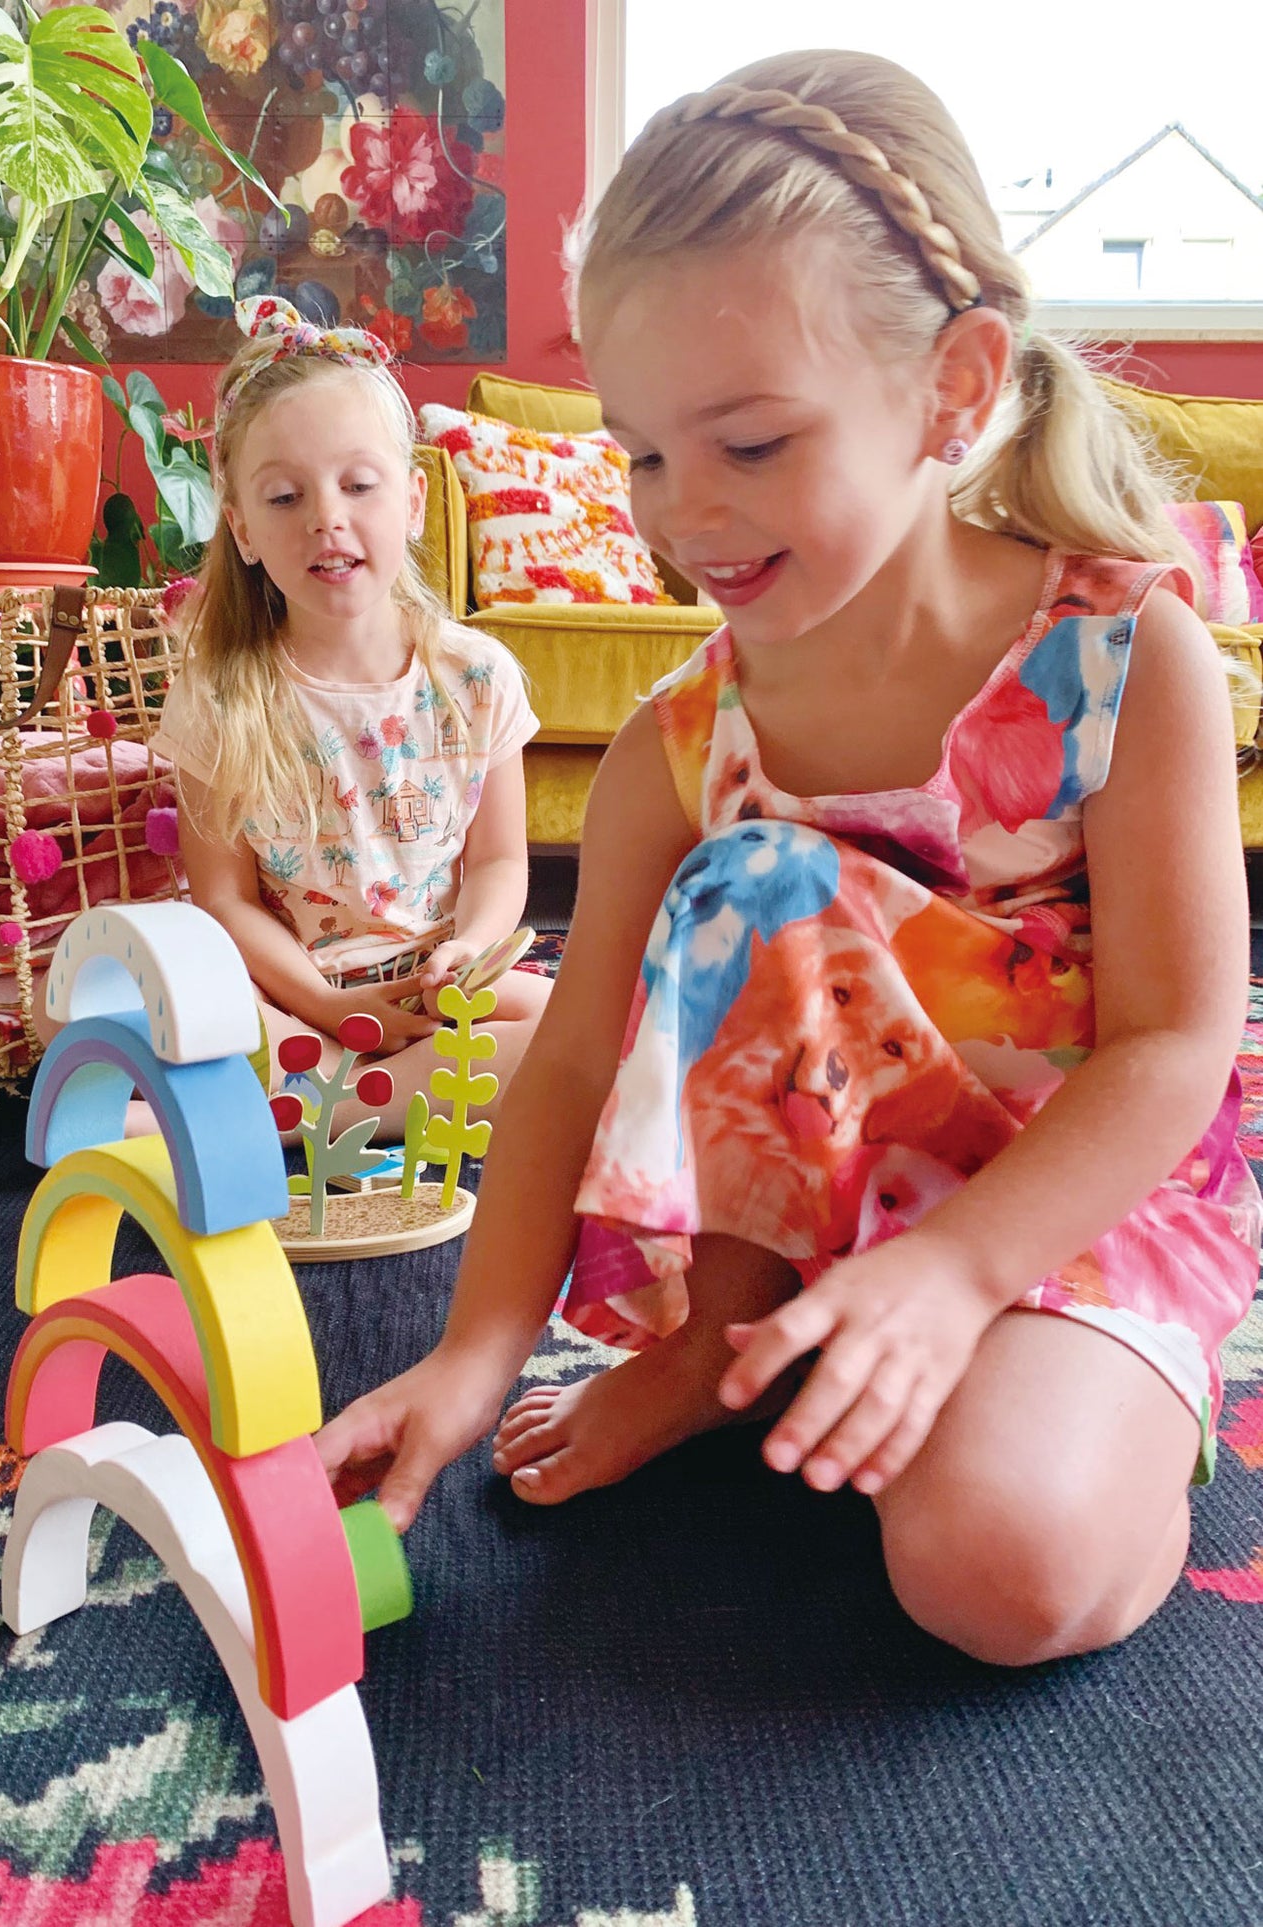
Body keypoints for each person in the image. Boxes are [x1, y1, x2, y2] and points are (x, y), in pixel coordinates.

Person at [316, 51, 1261, 1666]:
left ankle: (1131, 1407)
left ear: (956, 389)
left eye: (749, 445)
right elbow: (561, 1070)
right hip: (852, 1189)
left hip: (1087, 1186)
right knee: (743, 888)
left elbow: (1179, 1044)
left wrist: (967, 1272)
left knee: (989, 1565)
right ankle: (722, 1353)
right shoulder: (684, 741)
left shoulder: (1124, 656)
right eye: (647, 453)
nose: (686, 516)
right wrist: (477, 1355)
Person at [151, 297, 549, 1136]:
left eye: (358, 484)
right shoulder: (222, 695)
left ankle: (300, 1118)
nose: (327, 516)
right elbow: (223, 900)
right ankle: (378, 1096)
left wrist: (469, 950)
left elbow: (500, 861)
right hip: (293, 996)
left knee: (589, 1028)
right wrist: (330, 1009)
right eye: (286, 496)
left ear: (411, 501)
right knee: (119, 1015)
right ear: (243, 529)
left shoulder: (476, 676)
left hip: (444, 989)